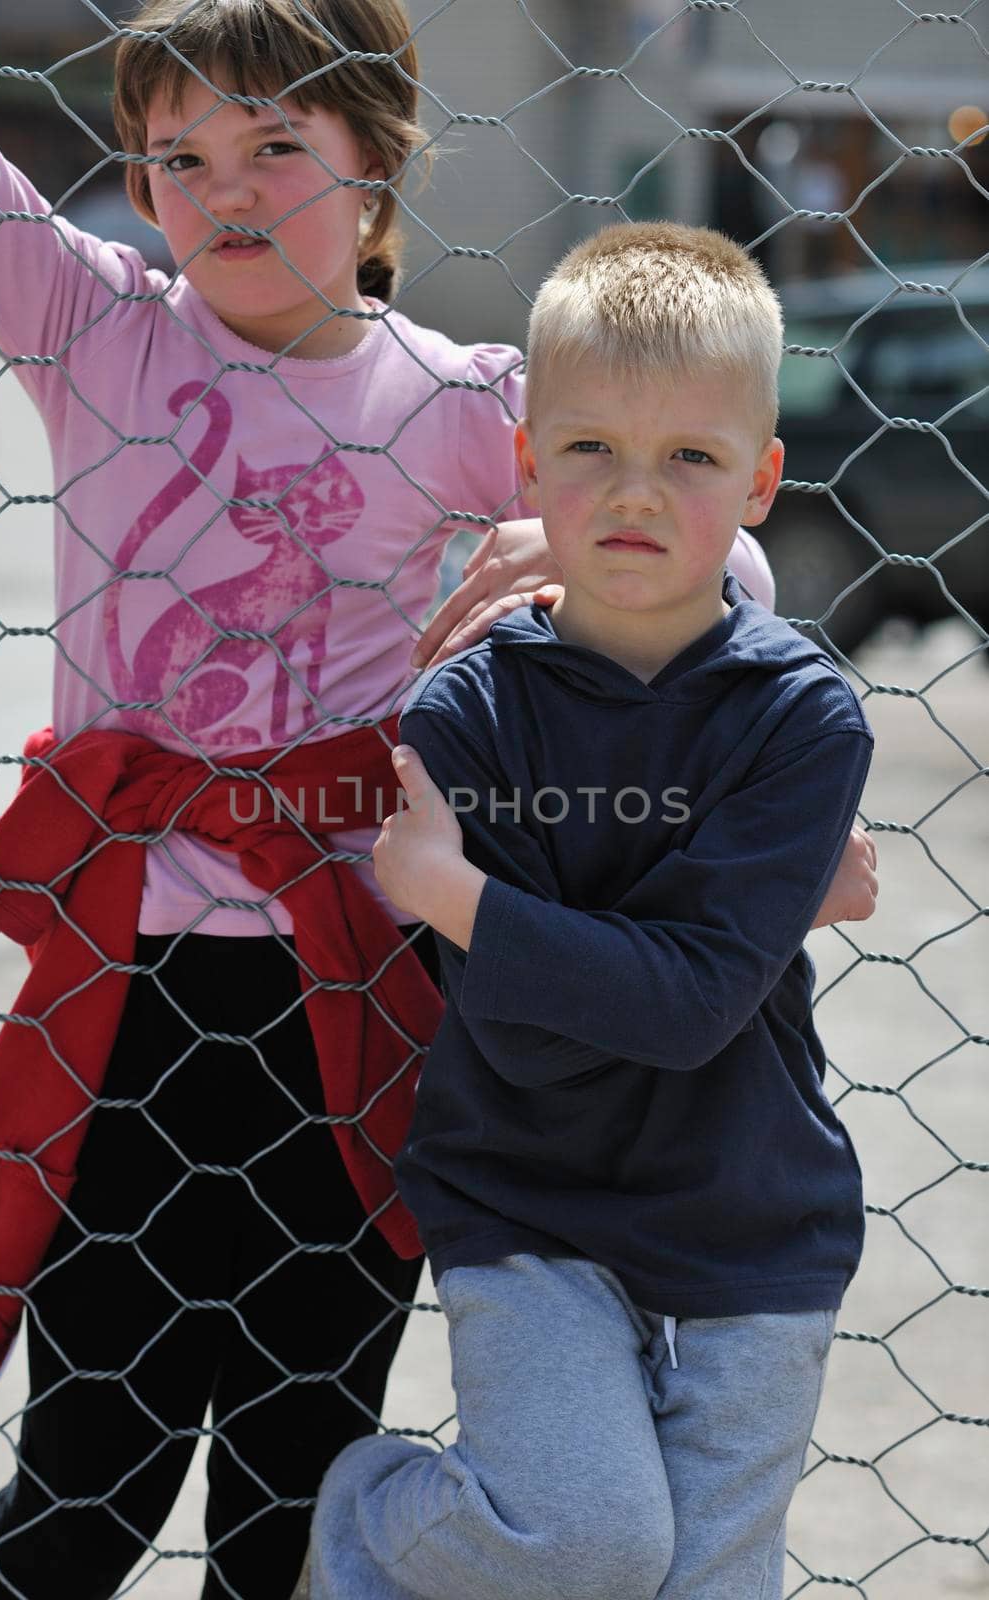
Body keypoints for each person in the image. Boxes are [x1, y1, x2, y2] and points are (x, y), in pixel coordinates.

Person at [309, 220, 877, 1600]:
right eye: (590, 450)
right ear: (527, 468)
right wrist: (660, 943)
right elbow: (551, 1031)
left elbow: (688, 1011)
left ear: (762, 481)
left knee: (708, 1584)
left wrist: (456, 895)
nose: (635, 493)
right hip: (529, 1194)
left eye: (689, 456)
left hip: (751, 1212)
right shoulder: (468, 714)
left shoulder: (800, 719)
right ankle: (367, 1515)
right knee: (590, 1543)